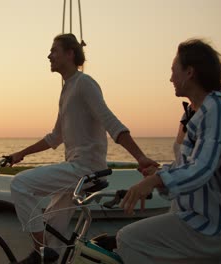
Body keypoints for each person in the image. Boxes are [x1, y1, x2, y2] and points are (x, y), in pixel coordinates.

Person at [9, 33, 158, 263]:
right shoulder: (67, 89)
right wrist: (21, 154)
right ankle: (48, 252)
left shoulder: (84, 83)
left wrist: (140, 157)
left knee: (20, 184)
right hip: (75, 169)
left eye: (54, 50)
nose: (49, 55)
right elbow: (55, 137)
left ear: (70, 53)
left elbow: (110, 121)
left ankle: (39, 253)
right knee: (51, 232)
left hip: (85, 169)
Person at [116, 39, 221, 264]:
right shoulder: (194, 111)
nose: (170, 78)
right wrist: (159, 173)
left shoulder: (216, 109)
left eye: (174, 71)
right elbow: (188, 164)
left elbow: (202, 168)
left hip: (206, 223)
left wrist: (155, 181)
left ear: (189, 72)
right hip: (186, 213)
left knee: (128, 240)